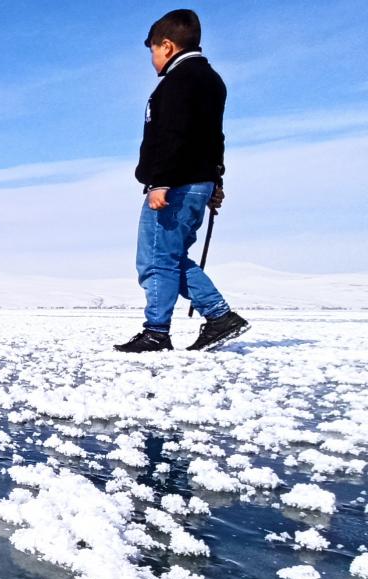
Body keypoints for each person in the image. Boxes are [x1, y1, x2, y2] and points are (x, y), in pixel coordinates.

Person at [114, 9, 249, 353]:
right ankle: (218, 317)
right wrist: (214, 181)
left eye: (153, 51)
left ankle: (159, 331)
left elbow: (173, 136)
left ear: (169, 46)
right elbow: (213, 137)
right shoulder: (211, 80)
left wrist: (160, 181)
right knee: (170, 257)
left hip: (176, 184)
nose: (152, 60)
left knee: (156, 260)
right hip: (196, 181)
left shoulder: (177, 82)